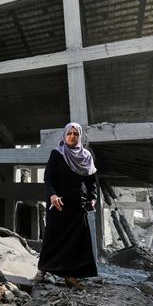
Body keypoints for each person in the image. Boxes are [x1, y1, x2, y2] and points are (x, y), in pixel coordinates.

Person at [35, 123, 98, 289]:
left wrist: (92, 198)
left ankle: (70, 276)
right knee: (52, 236)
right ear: (64, 135)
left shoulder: (87, 156)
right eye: (69, 133)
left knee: (76, 241)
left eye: (75, 134)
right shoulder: (57, 154)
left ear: (80, 136)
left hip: (78, 205)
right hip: (59, 204)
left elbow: (91, 181)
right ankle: (43, 270)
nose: (72, 137)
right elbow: (48, 178)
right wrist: (52, 195)